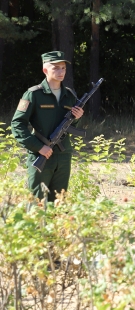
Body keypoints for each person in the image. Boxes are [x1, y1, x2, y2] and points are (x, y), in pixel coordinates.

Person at [11, 51, 84, 202]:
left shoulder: (70, 95)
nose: (60, 72)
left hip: (63, 156)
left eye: (63, 68)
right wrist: (38, 147)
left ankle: (56, 226)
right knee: (38, 202)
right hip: (40, 154)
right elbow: (17, 124)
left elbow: (72, 125)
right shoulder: (33, 94)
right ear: (45, 70)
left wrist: (77, 118)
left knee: (59, 202)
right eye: (56, 68)